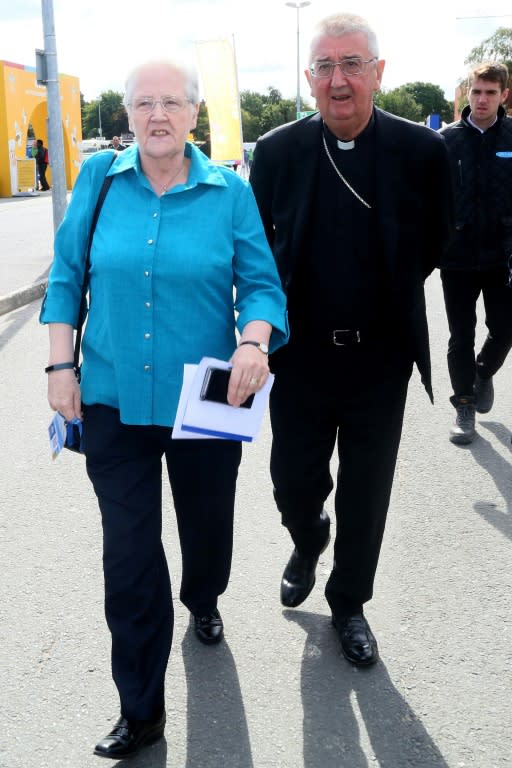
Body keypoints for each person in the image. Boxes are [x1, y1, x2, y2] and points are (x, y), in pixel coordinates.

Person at [40, 58, 288, 760]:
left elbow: (262, 287)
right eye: (144, 103)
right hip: (113, 396)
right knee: (129, 556)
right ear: (128, 115)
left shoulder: (228, 192)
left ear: (192, 113)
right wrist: (62, 367)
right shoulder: (99, 179)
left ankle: (204, 596)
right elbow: (66, 276)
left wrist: (253, 341)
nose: (157, 115)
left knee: (206, 528)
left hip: (210, 394)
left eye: (171, 103)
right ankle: (140, 708)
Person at [250, 13, 453, 667]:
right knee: (291, 482)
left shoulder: (422, 152)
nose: (339, 81)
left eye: (352, 64)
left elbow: (438, 239)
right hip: (300, 357)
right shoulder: (278, 151)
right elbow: (256, 251)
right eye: (325, 67)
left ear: (378, 72)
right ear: (309, 79)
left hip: (379, 356)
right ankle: (307, 539)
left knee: (367, 492)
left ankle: (349, 603)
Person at [439, 62, 512, 445]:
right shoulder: (445, 140)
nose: (482, 100)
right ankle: (464, 406)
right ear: (468, 94)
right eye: (476, 92)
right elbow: (427, 198)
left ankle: (483, 373)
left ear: (504, 96)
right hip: (458, 258)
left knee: (505, 329)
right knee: (459, 335)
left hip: (504, 256)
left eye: (490, 93)